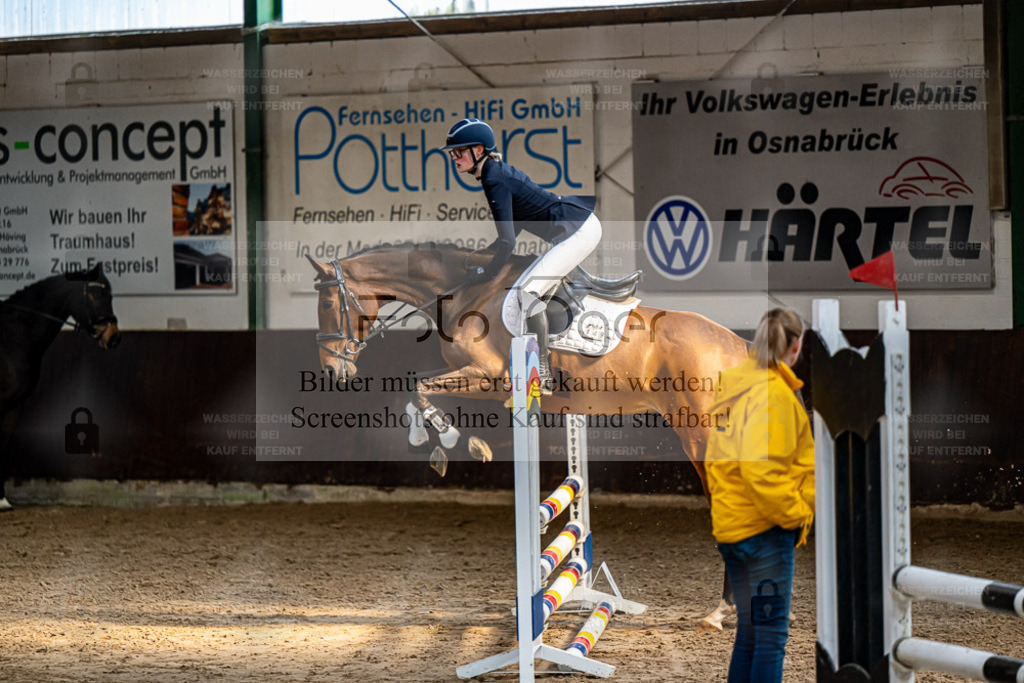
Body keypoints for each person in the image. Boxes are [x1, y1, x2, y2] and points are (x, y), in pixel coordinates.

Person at [440, 117, 601, 390]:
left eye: (459, 152)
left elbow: (508, 242)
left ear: (478, 150)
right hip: (577, 226)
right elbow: (513, 227)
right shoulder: (494, 172)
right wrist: (484, 256)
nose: (454, 158)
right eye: (452, 153)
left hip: (578, 230)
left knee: (527, 292)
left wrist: (485, 273)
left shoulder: (494, 178)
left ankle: (543, 372)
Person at [704, 308, 815, 683]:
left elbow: (718, 460)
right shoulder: (775, 396)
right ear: (795, 346)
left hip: (734, 529)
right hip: (766, 532)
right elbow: (762, 473)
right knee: (770, 639)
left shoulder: (734, 387)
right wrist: (798, 514)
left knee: (750, 635)